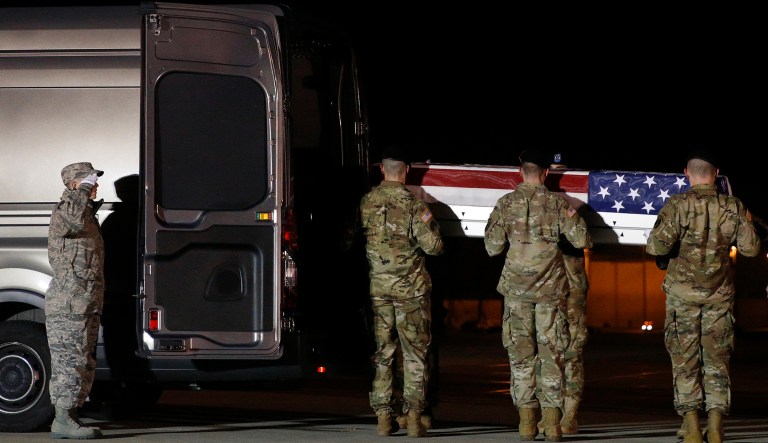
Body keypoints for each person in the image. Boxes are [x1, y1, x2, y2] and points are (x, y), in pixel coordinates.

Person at [646, 150, 760, 443]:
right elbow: (751, 249)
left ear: (687, 172)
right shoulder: (732, 207)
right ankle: (717, 427)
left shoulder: (677, 205)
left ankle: (694, 427)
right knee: (717, 362)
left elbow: (656, 247)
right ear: (716, 172)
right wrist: (744, 219)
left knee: (685, 362)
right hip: (719, 297)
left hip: (682, 298)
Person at [484, 149, 592, 442]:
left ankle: (527, 425)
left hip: (516, 294)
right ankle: (553, 426)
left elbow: (492, 247)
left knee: (521, 359)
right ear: (546, 173)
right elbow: (582, 240)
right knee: (551, 357)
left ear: (521, 172)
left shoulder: (505, 204)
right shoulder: (559, 204)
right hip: (549, 294)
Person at [359, 147, 444, 438]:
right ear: (405, 170)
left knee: (383, 352)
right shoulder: (414, 205)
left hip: (379, 290)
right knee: (415, 354)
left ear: (382, 169)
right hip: (412, 292)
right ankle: (414, 416)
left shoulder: (366, 202)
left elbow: (347, 239)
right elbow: (434, 246)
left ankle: (383, 417)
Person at [46, 162, 105, 440]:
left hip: (85, 303)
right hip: (68, 303)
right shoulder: (67, 211)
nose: (94, 185)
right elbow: (75, 219)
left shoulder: (86, 213)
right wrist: (82, 190)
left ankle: (72, 415)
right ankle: (63, 420)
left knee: (82, 359)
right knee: (69, 360)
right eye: (89, 180)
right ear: (73, 185)